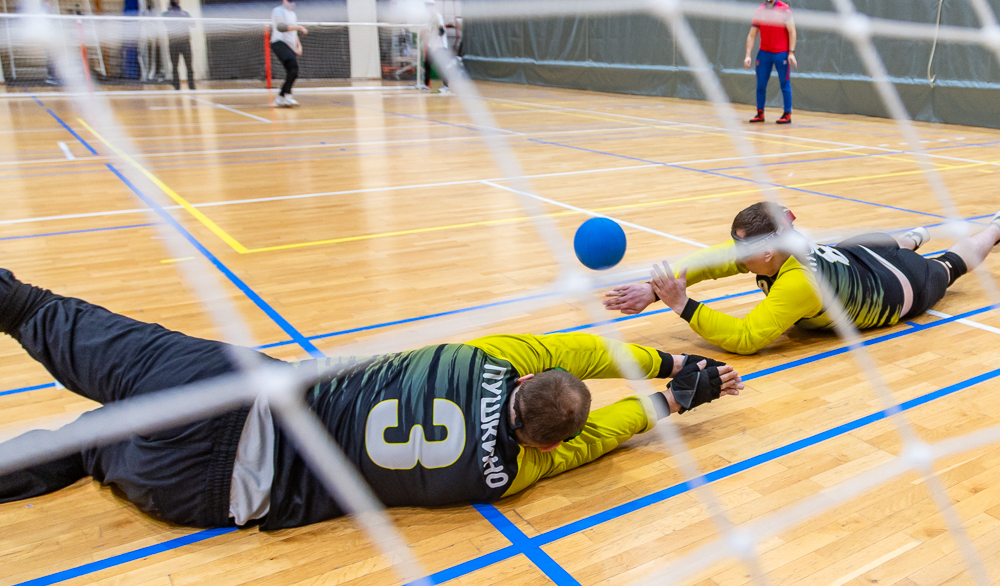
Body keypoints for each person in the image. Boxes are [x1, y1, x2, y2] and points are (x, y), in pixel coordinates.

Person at [0, 269, 742, 529]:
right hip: (219, 487)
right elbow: (596, 435)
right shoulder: (507, 474)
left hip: (229, 389)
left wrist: (668, 357)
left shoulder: (486, 358)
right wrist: (673, 402)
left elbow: (578, 352)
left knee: (45, 314)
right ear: (542, 443)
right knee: (86, 443)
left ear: (521, 383)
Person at [604, 202, 1000, 356]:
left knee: (949, 266)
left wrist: (681, 304)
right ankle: (907, 239)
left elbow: (746, 340)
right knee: (847, 246)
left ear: (764, 253)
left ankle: (993, 229)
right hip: (853, 259)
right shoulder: (780, 245)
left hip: (898, 287)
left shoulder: (798, 282)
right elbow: (711, 262)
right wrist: (654, 289)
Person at [744, 0, 796, 125]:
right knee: (760, 84)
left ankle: (787, 114)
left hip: (781, 54)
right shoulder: (759, 11)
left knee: (784, 83)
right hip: (764, 54)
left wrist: (791, 52)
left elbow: (792, 31)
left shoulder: (785, 10)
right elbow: (751, 35)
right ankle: (760, 113)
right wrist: (748, 55)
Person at [270, 0, 308, 107]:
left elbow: (293, 33)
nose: (292, 4)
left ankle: (280, 98)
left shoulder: (293, 14)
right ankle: (288, 96)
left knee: (293, 72)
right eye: (289, 1)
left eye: (293, 2)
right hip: (279, 42)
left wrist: (298, 45)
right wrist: (299, 27)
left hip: (289, 45)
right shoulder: (278, 11)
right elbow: (281, 27)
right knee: (293, 68)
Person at [162, 0, 195, 91]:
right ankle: (178, 85)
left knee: (187, 65)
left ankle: (190, 85)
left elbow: (192, 23)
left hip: (183, 42)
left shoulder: (184, 14)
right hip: (175, 43)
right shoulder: (167, 14)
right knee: (176, 65)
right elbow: (165, 22)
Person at [421, 0, 450, 94]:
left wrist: (436, 45)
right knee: (427, 64)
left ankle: (446, 86)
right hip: (431, 45)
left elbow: (441, 31)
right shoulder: (429, 18)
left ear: (433, 6)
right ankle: (426, 85)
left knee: (442, 66)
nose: (427, 8)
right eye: (426, 6)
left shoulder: (438, 16)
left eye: (428, 6)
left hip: (440, 46)